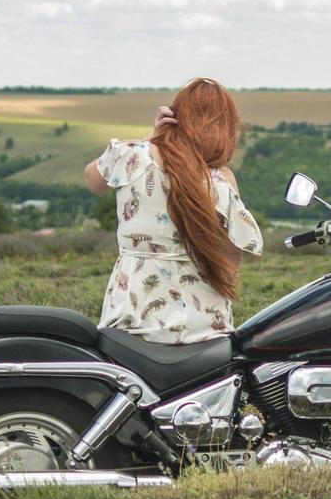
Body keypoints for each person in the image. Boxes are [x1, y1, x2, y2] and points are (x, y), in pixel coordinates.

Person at [84, 78, 263, 344]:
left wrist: (152, 138)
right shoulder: (221, 181)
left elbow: (93, 181)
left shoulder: (133, 157)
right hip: (204, 326)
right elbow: (231, 263)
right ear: (224, 127)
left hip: (133, 319)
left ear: (175, 116)